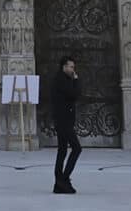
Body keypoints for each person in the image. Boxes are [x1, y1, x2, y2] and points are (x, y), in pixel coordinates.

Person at [47, 54, 82, 194]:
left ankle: (58, 183)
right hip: (63, 121)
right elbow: (74, 94)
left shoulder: (64, 79)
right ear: (64, 67)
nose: (73, 69)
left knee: (62, 150)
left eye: (74, 67)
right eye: (71, 67)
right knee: (76, 148)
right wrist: (77, 80)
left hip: (64, 120)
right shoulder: (61, 80)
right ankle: (64, 179)